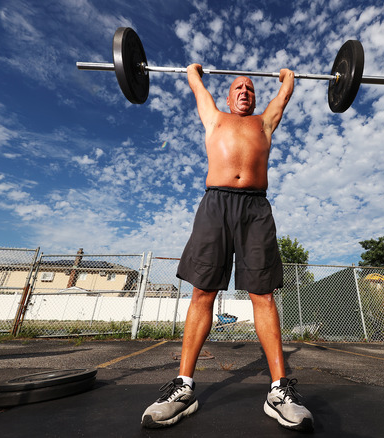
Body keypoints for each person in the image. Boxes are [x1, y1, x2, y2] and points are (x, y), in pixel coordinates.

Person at [141, 64, 314, 432]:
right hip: (215, 204)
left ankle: (279, 391)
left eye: (250, 88)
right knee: (202, 291)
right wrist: (192, 72)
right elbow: (195, 86)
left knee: (263, 295)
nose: (245, 91)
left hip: (255, 208)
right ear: (227, 95)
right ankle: (184, 387)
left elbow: (283, 96)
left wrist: (288, 78)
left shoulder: (264, 123)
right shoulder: (214, 117)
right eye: (239, 86)